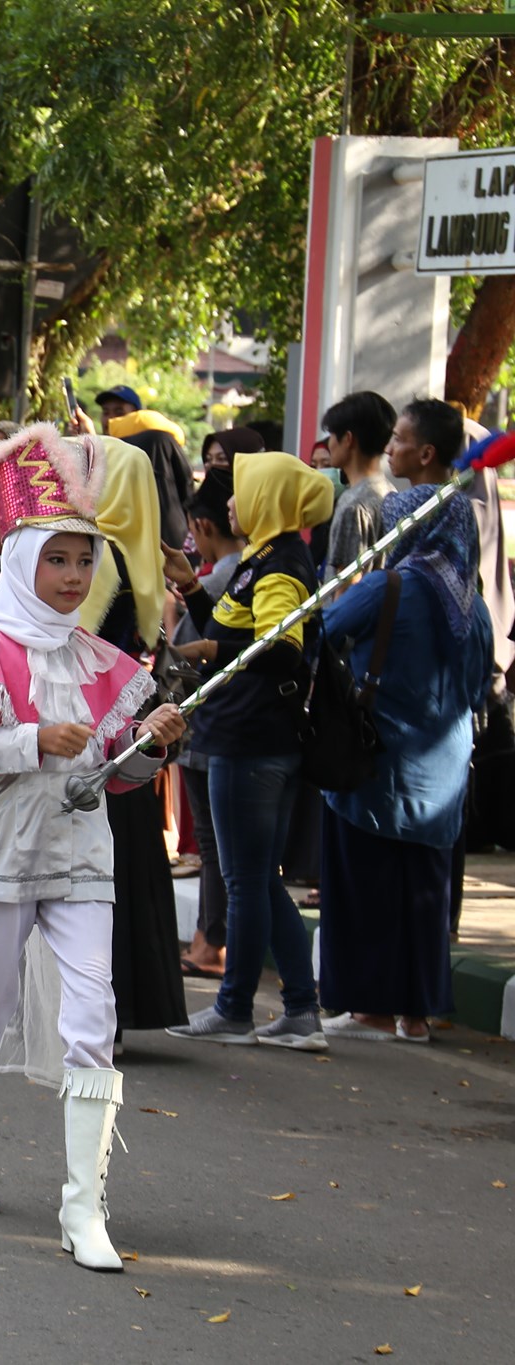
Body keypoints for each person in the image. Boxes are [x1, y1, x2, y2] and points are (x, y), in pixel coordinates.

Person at [0, 425, 183, 1272]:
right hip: (1, 856)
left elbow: (115, 779)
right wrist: (30, 741)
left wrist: (153, 744)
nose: (72, 576)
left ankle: (84, 1205)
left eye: (84, 560)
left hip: (82, 860)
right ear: (24, 558)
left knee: (93, 1016)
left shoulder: (105, 661)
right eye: (57, 559)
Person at [167, 451, 334, 1048]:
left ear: (268, 500)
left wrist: (214, 653)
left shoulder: (282, 564)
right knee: (258, 880)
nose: (231, 502)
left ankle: (235, 1007)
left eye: (243, 490)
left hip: (252, 741)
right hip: (245, 736)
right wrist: (191, 587)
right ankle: (301, 1009)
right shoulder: (261, 557)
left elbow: (282, 650)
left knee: (244, 880)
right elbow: (229, 628)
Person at [319, 486, 493, 1043]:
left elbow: (322, 631)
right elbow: (480, 686)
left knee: (365, 885)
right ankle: (417, 1016)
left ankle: (369, 1009)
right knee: (425, 896)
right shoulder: (474, 607)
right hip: (446, 773)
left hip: (379, 766)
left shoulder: (390, 585)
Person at [80, 434, 188, 1038]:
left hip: (95, 733)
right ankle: (117, 1014)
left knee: (94, 880)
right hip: (128, 727)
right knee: (123, 874)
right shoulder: (138, 552)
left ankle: (100, 1019)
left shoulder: (98, 559)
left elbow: (67, 647)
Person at [161, 469, 243, 978]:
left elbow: (184, 654)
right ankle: (208, 939)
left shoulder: (220, 581)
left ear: (203, 526)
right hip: (226, 725)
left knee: (216, 847)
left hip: (209, 723)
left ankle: (211, 942)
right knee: (223, 849)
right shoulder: (248, 572)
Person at [93, 383, 192, 545]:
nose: (111, 419)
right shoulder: (99, 452)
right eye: (106, 412)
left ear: (137, 415)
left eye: (119, 412)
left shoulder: (157, 447)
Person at [320, 390, 397, 577]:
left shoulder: (353, 505)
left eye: (331, 435)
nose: (329, 443)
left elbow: (346, 584)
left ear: (348, 439)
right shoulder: (390, 491)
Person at [386, 396, 466, 491]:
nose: (388, 450)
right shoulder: (461, 499)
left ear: (426, 454)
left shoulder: (397, 501)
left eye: (397, 439)